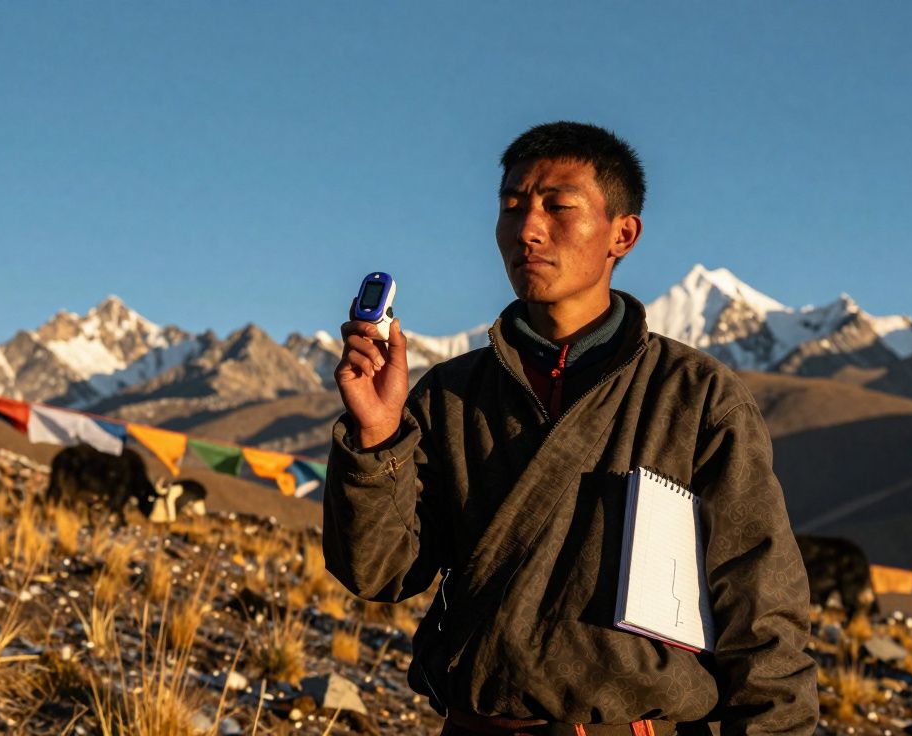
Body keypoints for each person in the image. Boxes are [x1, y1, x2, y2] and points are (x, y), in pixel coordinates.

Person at [323, 122, 817, 736]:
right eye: (511, 207)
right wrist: (376, 439)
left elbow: (760, 610)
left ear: (623, 234)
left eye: (559, 206)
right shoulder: (452, 395)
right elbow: (378, 573)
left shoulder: (694, 398)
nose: (527, 229)